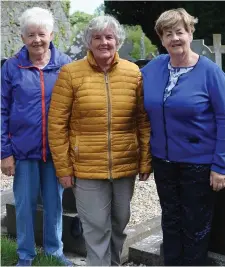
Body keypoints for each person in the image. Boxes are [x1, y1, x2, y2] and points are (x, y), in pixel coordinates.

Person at [48, 15, 152, 266]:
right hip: (86, 168)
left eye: (109, 37)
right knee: (96, 229)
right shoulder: (70, 73)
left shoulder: (133, 73)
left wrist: (145, 160)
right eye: (97, 37)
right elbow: (57, 124)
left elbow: (142, 120)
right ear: (88, 42)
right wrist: (63, 168)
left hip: (124, 165)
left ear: (117, 40)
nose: (104, 42)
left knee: (119, 224)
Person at [141, 8, 225, 266]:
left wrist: (220, 165)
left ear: (190, 33)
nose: (175, 38)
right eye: (168, 34)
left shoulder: (210, 72)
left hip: (198, 164)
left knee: (195, 224)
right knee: (171, 219)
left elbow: (224, 118)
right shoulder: (152, 69)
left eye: (180, 31)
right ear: (161, 39)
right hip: (163, 161)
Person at [1, 7, 73, 266]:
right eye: (30, 35)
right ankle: (25, 254)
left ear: (51, 34)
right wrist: (4, 152)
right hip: (23, 150)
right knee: (24, 206)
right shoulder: (11, 67)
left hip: (55, 151)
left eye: (41, 34)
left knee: (55, 204)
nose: (36, 40)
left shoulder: (65, 66)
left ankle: (54, 251)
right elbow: (1, 110)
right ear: (22, 38)